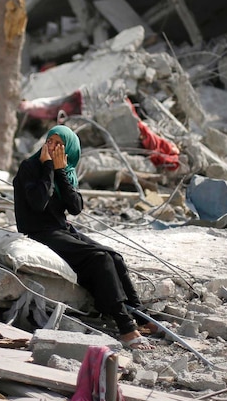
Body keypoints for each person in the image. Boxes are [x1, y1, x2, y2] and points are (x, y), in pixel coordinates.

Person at [12, 125, 156, 350]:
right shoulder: (29, 167)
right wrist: (48, 167)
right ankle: (125, 327)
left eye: (59, 144)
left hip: (61, 229)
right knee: (100, 259)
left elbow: (76, 207)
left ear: (69, 148)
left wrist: (60, 171)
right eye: (50, 141)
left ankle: (141, 316)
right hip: (40, 232)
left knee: (114, 257)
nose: (53, 147)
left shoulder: (66, 170)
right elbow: (38, 203)